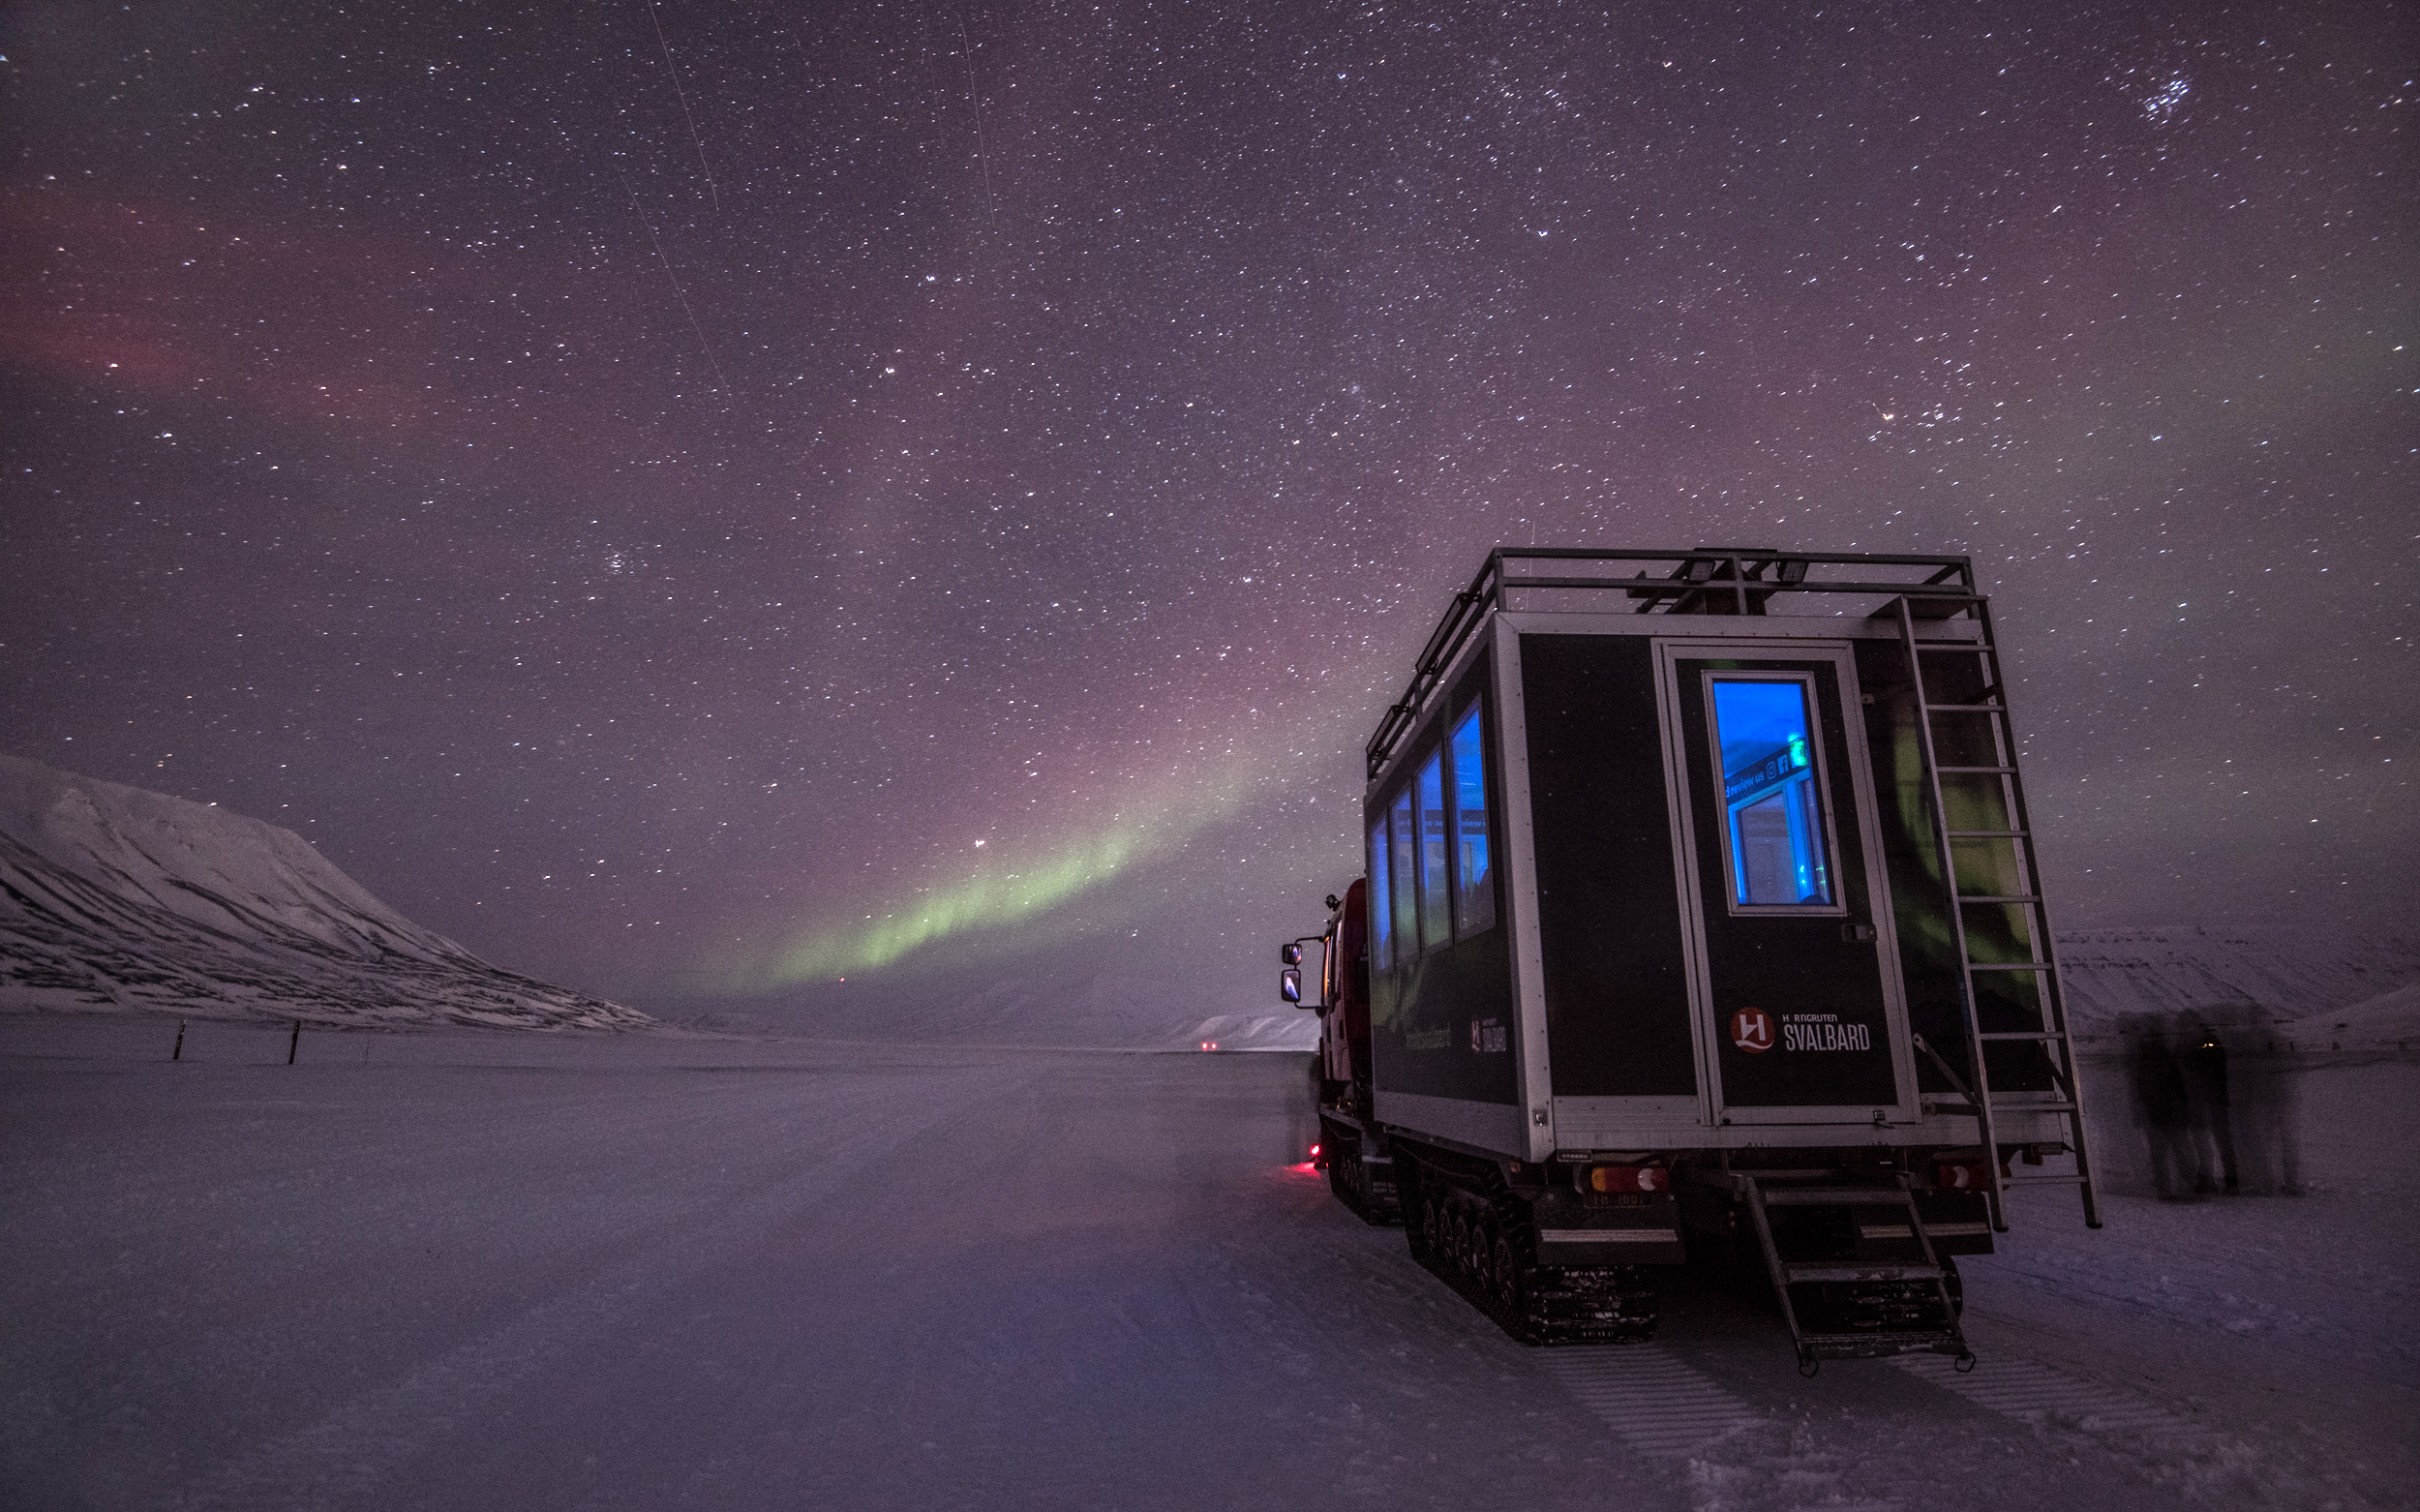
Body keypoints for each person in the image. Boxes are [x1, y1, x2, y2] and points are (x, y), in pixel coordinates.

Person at [2127, 1014, 2195, 1200]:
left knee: (2162, 1152)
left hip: (2160, 1112)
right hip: (2168, 1111)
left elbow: (2147, 1087)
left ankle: (2168, 1187)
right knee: (2176, 1150)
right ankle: (2182, 1185)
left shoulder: (2147, 1058)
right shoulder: (2165, 1056)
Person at [2175, 1011, 2240, 1195]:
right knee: (2206, 1142)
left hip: (2209, 1100)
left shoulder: (2202, 1043)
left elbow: (2214, 1069)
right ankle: (2214, 1178)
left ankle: (2225, 1179)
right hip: (2201, 1101)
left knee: (2216, 1141)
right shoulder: (2188, 1044)